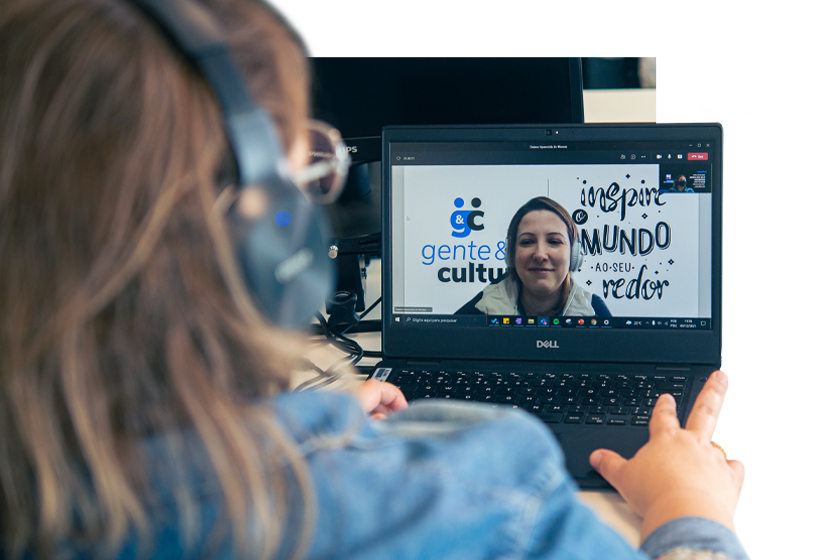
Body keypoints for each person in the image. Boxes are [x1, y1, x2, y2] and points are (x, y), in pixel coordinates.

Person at [0, 1, 747, 559]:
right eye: (313, 171)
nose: (541, 253)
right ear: (271, 251)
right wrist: (691, 508)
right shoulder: (481, 492)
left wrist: (286, 432)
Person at [457, 197, 611, 316]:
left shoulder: (594, 311)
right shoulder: (484, 306)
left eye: (554, 241)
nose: (540, 255)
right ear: (511, 254)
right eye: (527, 241)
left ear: (574, 255)